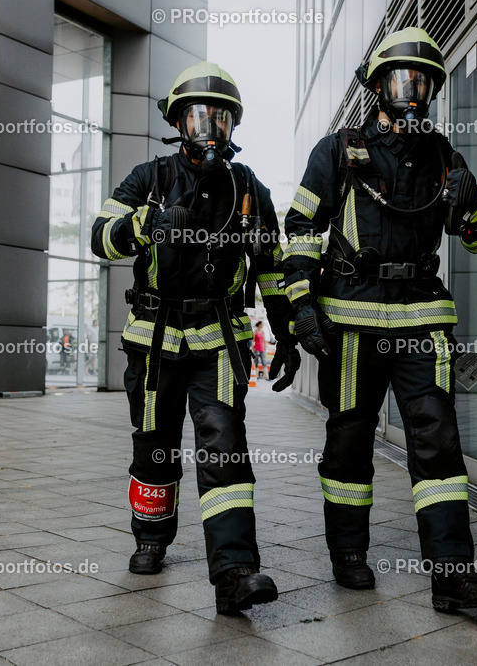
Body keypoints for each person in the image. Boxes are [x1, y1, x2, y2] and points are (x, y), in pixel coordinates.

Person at [283, 27, 477, 613]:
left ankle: (453, 577)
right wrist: (301, 305)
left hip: (422, 318)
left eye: (423, 81)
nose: (413, 90)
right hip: (352, 321)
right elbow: (301, 228)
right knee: (349, 439)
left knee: (438, 444)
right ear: (378, 85)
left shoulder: (442, 154)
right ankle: (349, 554)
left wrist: (474, 196)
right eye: (403, 79)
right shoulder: (337, 150)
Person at [90, 61, 301, 615]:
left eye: (220, 119)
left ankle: (235, 572)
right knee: (153, 445)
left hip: (220, 344)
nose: (209, 128)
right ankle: (151, 537)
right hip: (155, 342)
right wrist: (144, 226)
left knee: (225, 449)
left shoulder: (249, 190)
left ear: (233, 127)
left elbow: (272, 271)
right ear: (179, 122)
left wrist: (288, 336)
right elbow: (99, 239)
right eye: (198, 116)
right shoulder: (149, 179)